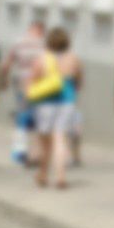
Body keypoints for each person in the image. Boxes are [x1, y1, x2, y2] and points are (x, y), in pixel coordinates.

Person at [29, 26, 82, 191]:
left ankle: (43, 174)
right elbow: (79, 81)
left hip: (45, 103)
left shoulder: (42, 59)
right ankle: (60, 176)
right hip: (67, 102)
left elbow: (33, 80)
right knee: (60, 139)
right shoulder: (73, 59)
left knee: (45, 142)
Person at [0, 20, 46, 165]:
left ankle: (19, 152)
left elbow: (7, 63)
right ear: (41, 30)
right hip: (40, 85)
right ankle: (37, 152)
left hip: (21, 83)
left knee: (22, 116)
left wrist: (3, 80)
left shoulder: (18, 42)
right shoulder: (43, 44)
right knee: (38, 118)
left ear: (30, 28)